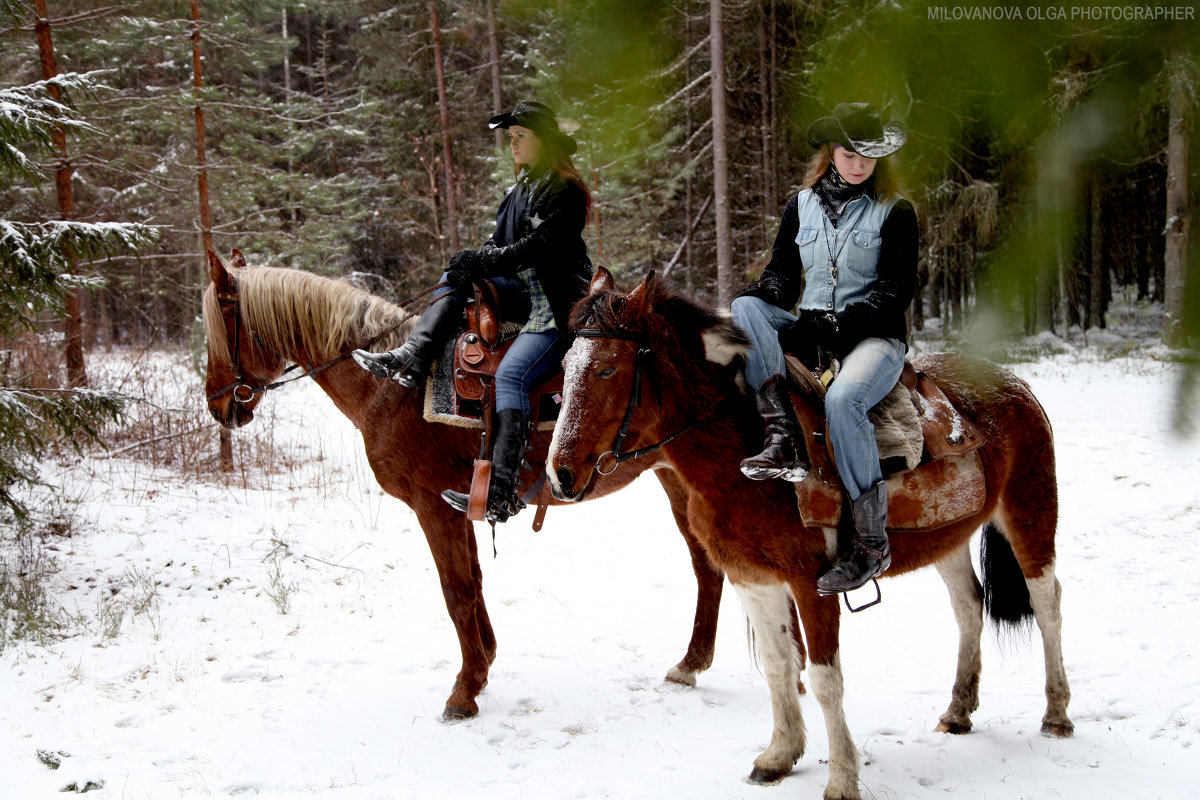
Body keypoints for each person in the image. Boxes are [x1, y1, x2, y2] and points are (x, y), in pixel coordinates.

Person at [353, 100, 592, 522]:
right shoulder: (516, 194)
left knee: (510, 375)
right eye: (511, 139)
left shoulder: (565, 191)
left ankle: (502, 492)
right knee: (456, 270)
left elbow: (537, 249)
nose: (513, 145)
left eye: (521, 137)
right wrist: (473, 259)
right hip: (521, 293)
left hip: (556, 307)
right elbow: (497, 245)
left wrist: (483, 261)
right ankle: (415, 353)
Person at [729, 102, 919, 594]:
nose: (858, 165)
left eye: (868, 157)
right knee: (745, 309)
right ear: (831, 152)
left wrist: (832, 327)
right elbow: (782, 275)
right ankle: (783, 439)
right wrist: (766, 295)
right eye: (849, 153)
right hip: (813, 326)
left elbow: (894, 292)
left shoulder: (896, 211)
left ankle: (870, 545)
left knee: (842, 400)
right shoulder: (801, 206)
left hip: (873, 337)